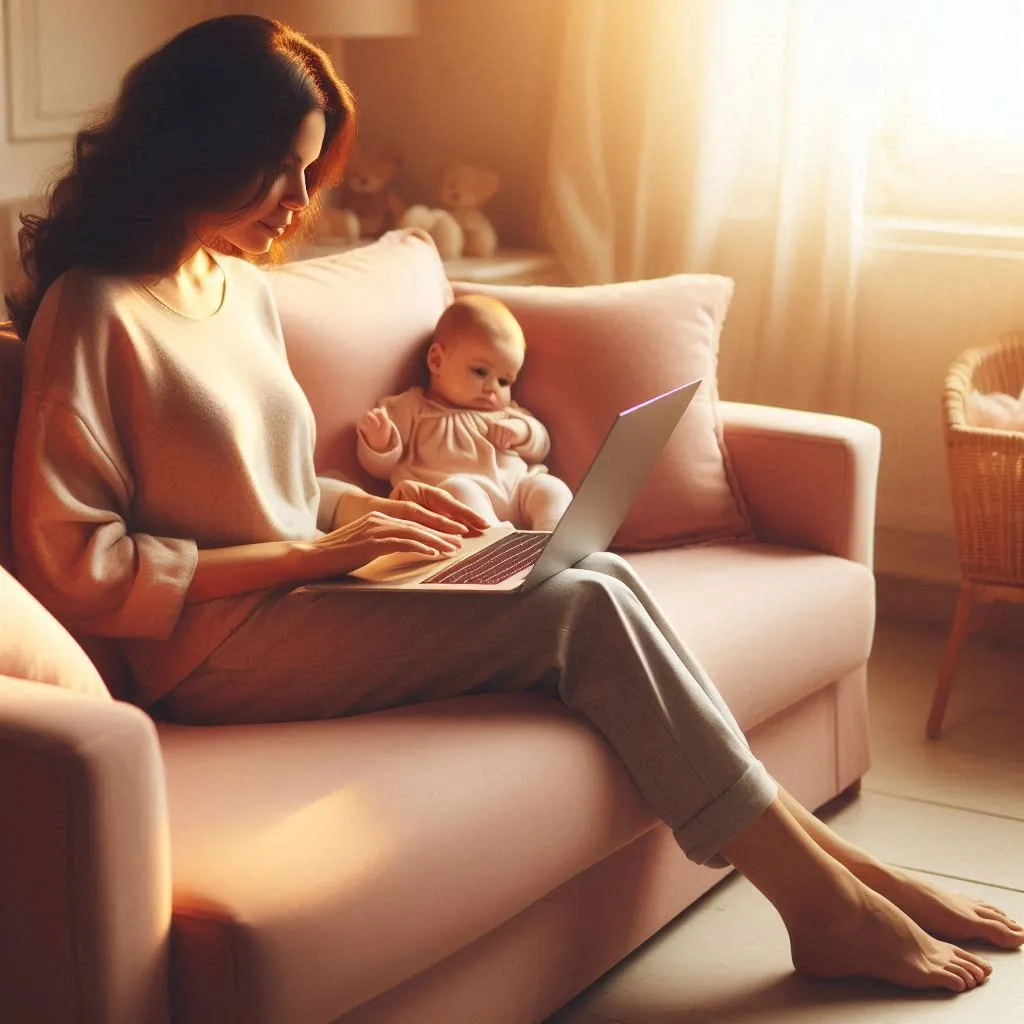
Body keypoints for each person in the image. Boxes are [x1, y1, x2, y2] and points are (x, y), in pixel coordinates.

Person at [6, 14, 1022, 997]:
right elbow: (77, 565)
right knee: (575, 607)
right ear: (193, 147)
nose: (297, 199)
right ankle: (823, 904)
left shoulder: (239, 289)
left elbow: (259, 483)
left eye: (309, 168)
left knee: (585, 567)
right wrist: (300, 558)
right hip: (212, 650)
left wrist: (377, 515)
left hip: (306, 594)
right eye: (275, 169)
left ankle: (840, 876)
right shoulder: (94, 310)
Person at [356, 294, 574, 532]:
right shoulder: (412, 407)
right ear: (437, 361)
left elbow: (541, 443)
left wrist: (522, 432)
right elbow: (383, 467)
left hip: (517, 491)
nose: (492, 388)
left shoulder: (506, 412)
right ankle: (496, 549)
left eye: (504, 381)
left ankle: (552, 542)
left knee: (551, 488)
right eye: (480, 372)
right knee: (459, 490)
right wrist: (380, 442)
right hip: (456, 500)